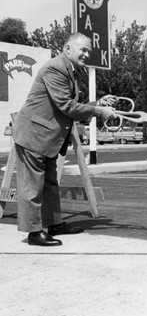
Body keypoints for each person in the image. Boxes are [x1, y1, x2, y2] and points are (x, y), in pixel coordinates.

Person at [13, 32, 117, 247]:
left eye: (89, 51)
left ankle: (54, 223)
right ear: (68, 49)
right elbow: (66, 106)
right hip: (34, 135)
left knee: (50, 183)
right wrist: (98, 111)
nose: (87, 54)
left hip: (47, 137)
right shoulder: (55, 68)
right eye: (83, 50)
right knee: (32, 186)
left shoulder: (71, 70)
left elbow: (65, 102)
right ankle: (34, 232)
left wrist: (97, 102)